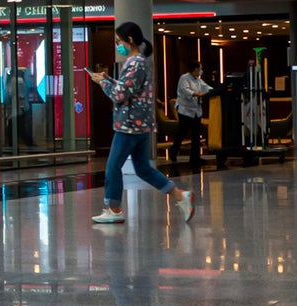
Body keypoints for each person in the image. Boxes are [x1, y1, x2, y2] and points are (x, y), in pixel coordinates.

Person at [89, 22, 194, 225]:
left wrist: (102, 83)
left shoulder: (135, 62)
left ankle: (114, 209)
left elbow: (120, 94)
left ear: (129, 40)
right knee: (143, 169)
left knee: (112, 166)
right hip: (141, 124)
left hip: (129, 125)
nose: (117, 45)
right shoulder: (141, 61)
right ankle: (180, 196)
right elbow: (129, 88)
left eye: (119, 41)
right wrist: (108, 79)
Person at [171, 49, 214, 172]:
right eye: (200, 68)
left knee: (196, 135)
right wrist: (197, 94)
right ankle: (174, 152)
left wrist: (215, 90)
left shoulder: (199, 80)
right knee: (182, 132)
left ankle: (195, 157)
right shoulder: (184, 78)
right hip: (185, 110)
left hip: (196, 111)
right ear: (194, 69)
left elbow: (207, 88)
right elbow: (186, 91)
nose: (201, 70)